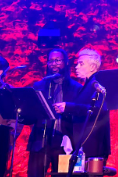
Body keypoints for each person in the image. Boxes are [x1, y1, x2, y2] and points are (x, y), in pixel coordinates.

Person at [26, 48, 89, 177]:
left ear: (66, 62)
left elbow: (82, 112)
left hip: (64, 142)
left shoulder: (76, 88)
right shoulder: (39, 86)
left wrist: (67, 108)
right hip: (40, 141)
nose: (54, 64)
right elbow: (31, 114)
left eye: (57, 60)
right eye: (51, 61)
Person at [71, 48, 111, 161]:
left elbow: (98, 109)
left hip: (94, 142)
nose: (76, 67)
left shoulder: (97, 84)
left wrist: (68, 107)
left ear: (92, 67)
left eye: (81, 64)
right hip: (86, 142)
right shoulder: (86, 85)